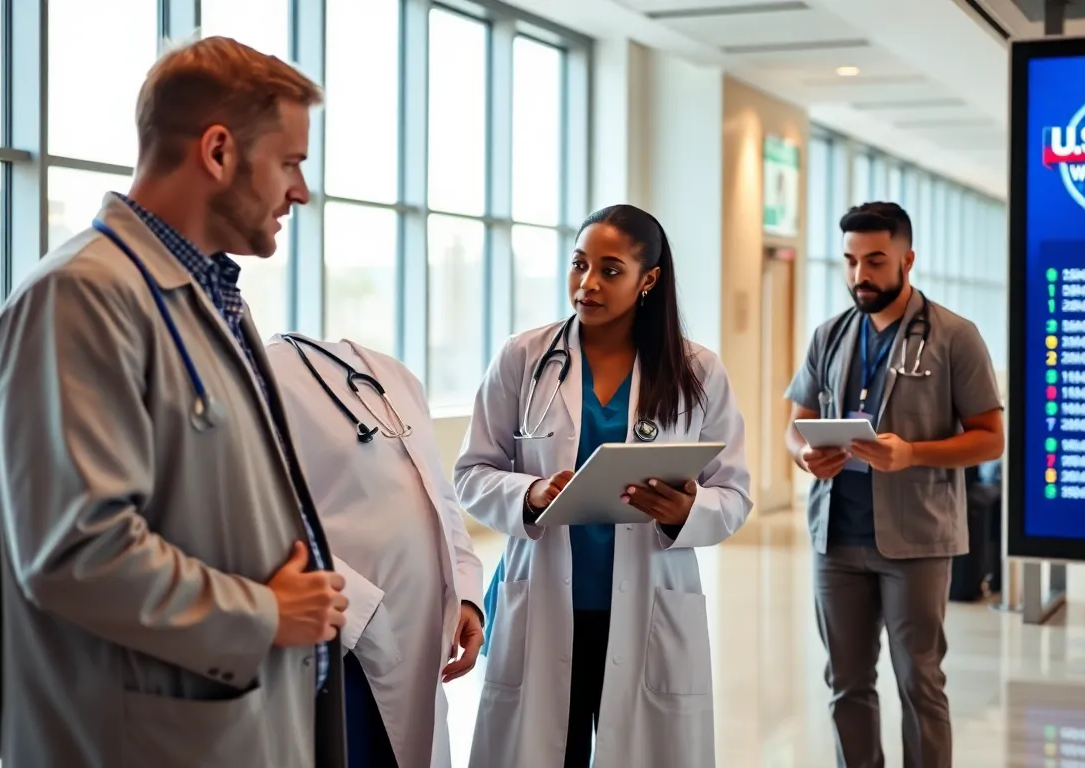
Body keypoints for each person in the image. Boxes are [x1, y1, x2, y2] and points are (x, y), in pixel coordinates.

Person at [0, 37, 347, 768]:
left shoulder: (212, 296)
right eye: (291, 163)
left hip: (242, 721)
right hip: (148, 739)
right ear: (218, 152)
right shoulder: (80, 295)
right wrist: (268, 613)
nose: (301, 191)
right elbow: (76, 550)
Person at [455, 203, 753, 768]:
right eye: (579, 265)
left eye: (610, 270)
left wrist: (683, 510)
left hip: (647, 599)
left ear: (649, 279)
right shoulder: (524, 357)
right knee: (542, 750)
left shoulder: (697, 370)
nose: (587, 284)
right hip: (544, 597)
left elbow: (733, 493)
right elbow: (472, 473)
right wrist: (531, 494)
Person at [783, 201, 1004, 768]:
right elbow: (792, 427)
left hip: (917, 541)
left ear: (908, 259)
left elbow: (990, 438)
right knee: (846, 683)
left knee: (919, 683)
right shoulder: (829, 335)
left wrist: (911, 454)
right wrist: (807, 456)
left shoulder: (955, 336)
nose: (861, 275)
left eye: (875, 261)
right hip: (837, 540)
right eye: (851, 261)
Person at [265, 332, 485, 768]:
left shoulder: (396, 377)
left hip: (422, 627)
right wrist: (361, 613)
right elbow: (270, 517)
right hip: (343, 634)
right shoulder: (271, 378)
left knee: (415, 745)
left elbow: (439, 497)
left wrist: (466, 595)